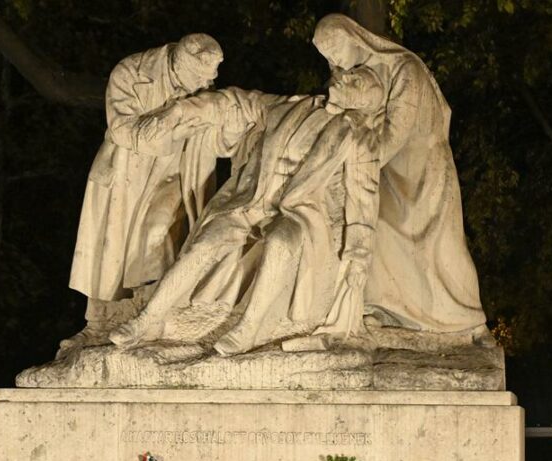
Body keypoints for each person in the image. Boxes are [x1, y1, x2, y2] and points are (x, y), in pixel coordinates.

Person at [108, 64, 387, 355]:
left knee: (281, 242)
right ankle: (149, 319)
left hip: (297, 212)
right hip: (250, 202)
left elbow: (363, 200)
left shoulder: (360, 138)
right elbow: (232, 102)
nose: (343, 76)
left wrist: (359, 255)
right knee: (207, 242)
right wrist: (181, 112)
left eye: (356, 81)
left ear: (364, 101)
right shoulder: (287, 106)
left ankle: (250, 327)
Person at [311, 14, 485, 334]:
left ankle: (471, 321)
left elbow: (397, 130)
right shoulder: (362, 76)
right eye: (326, 55)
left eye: (334, 49)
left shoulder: (406, 69)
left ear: (354, 37)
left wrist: (352, 162)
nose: (333, 59)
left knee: (444, 247)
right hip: (388, 171)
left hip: (424, 169)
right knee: (377, 230)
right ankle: (389, 308)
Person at [67, 34, 223, 344]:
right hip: (129, 170)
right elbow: (122, 128)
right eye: (203, 77)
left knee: (159, 233)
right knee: (113, 252)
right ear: (183, 63)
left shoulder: (201, 87)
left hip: (175, 171)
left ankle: (153, 315)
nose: (207, 84)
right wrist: (172, 121)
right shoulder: (130, 72)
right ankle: (102, 324)